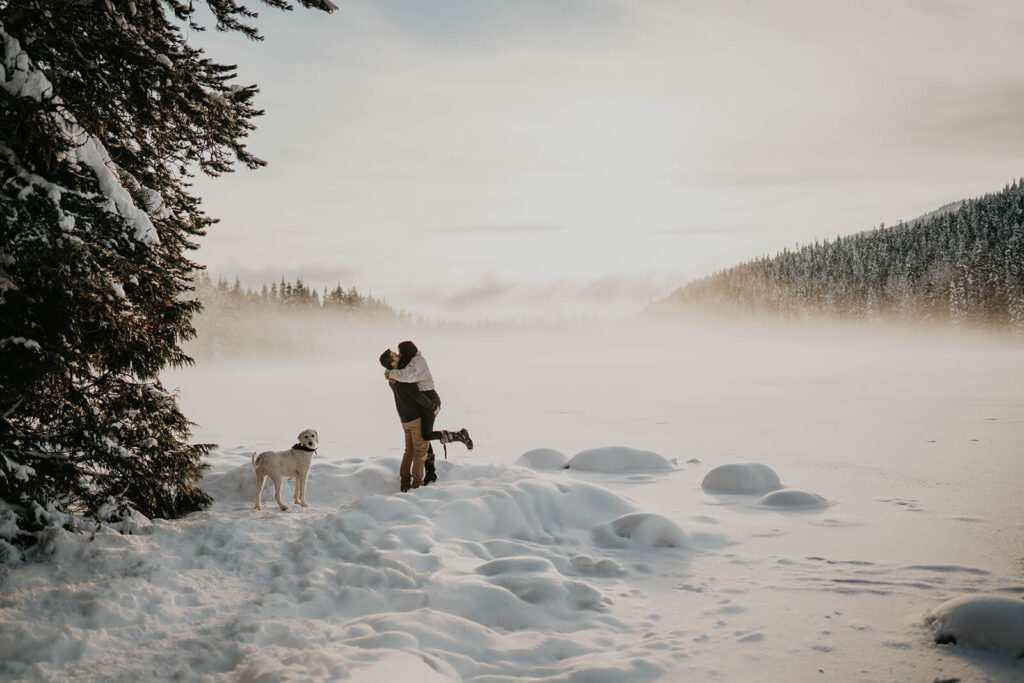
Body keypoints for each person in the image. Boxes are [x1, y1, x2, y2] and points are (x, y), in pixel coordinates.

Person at [385, 341, 473, 451]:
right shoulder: (410, 361)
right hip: (423, 400)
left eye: (400, 352)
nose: (400, 355)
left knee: (426, 434)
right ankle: (429, 464)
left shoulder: (417, 362)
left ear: (406, 352)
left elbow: (406, 375)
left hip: (429, 399)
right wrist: (388, 371)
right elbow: (397, 368)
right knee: (422, 433)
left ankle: (459, 435)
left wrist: (390, 373)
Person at [379, 349, 438, 492]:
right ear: (392, 363)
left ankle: (405, 483)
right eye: (395, 355)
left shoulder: (392, 377)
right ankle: (417, 486)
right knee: (420, 452)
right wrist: (433, 406)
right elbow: (416, 394)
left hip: (404, 419)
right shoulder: (403, 377)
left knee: (409, 452)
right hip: (415, 418)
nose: (398, 355)